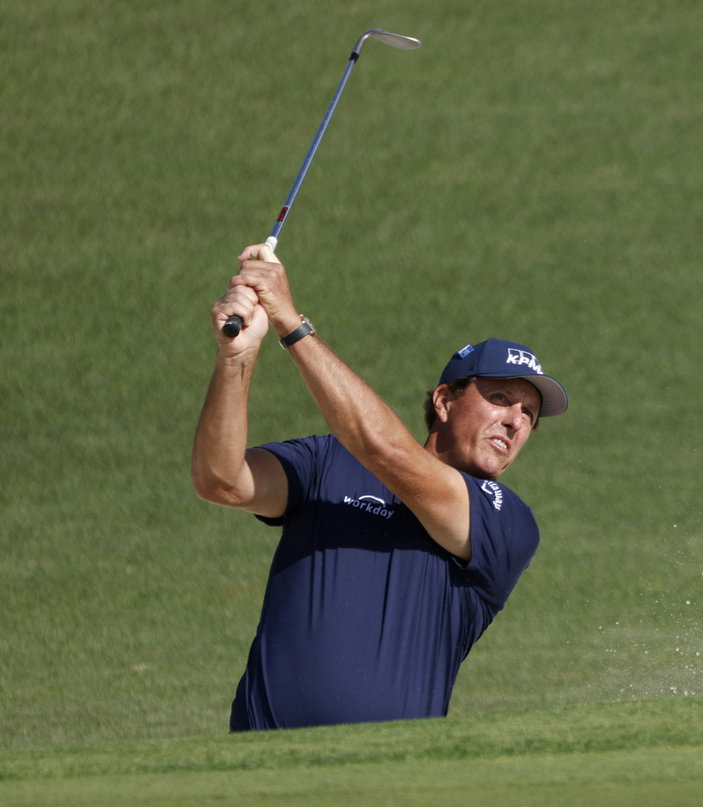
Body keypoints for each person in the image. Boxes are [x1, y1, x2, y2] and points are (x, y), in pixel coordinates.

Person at [191, 243, 568, 731]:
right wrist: (235, 359)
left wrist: (291, 324)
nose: (515, 421)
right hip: (259, 768)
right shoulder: (328, 461)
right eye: (500, 398)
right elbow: (220, 481)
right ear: (444, 401)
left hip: (386, 782)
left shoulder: (505, 521)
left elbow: (387, 452)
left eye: (529, 414)